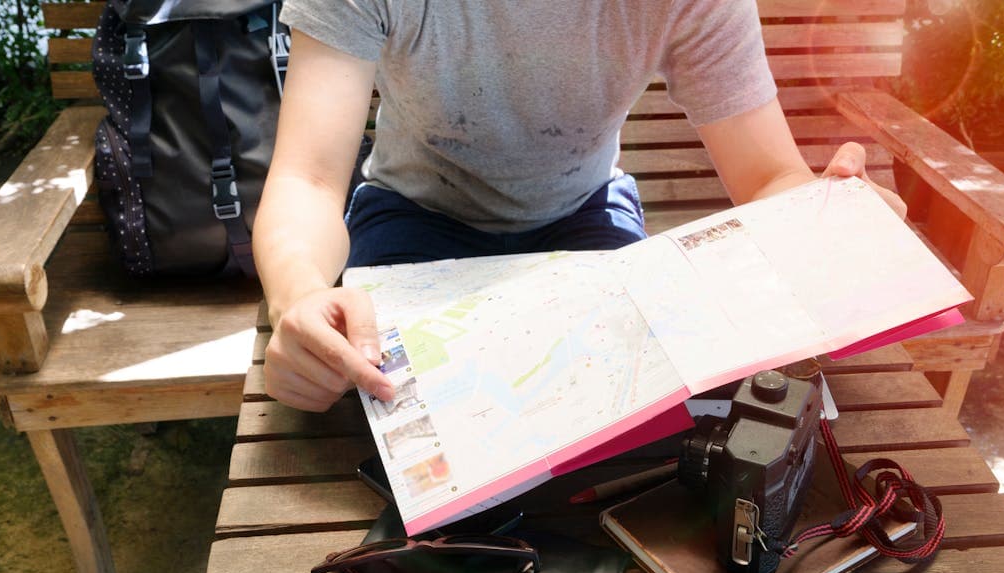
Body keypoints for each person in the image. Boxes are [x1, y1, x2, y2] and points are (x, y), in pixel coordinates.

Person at [254, 1, 908, 413]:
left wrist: (829, 215)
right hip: (411, 213)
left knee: (638, 421)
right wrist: (299, 294)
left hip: (585, 213)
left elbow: (768, 176)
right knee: (372, 412)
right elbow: (307, 180)